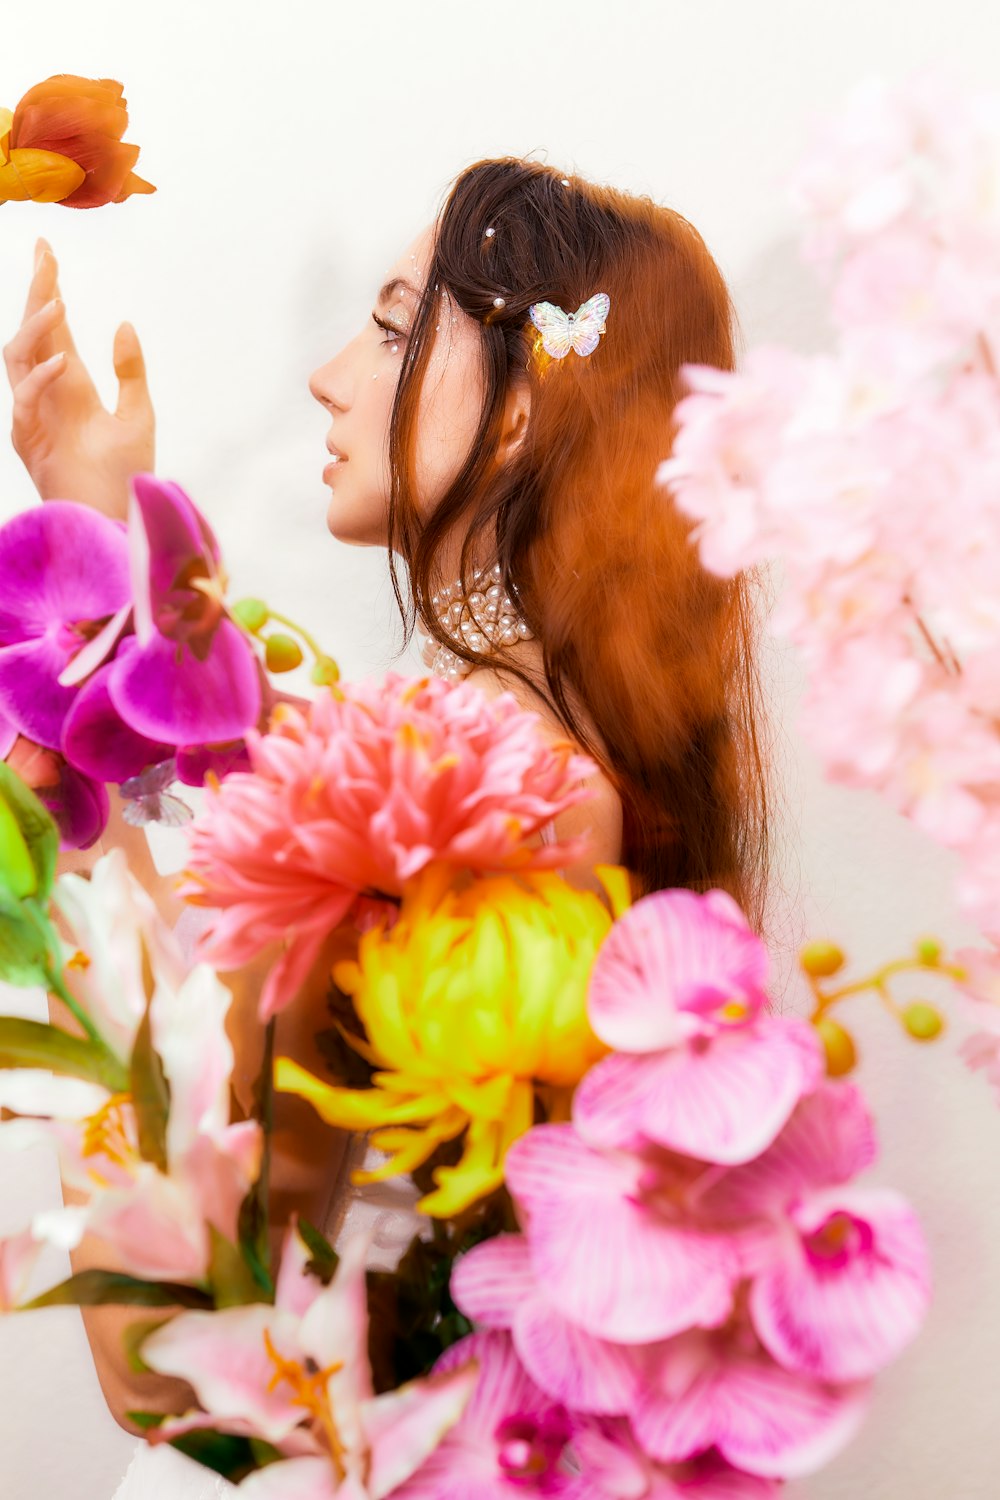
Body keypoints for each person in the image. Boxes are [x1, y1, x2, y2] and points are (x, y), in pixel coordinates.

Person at [3, 156, 774, 1494]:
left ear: (526, 406)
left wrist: (71, 733)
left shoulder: (429, 792)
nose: (330, 375)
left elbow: (166, 1355)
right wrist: (112, 583)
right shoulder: (592, 771)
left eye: (392, 324)